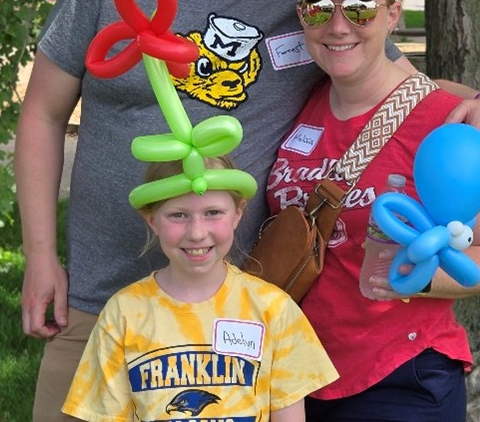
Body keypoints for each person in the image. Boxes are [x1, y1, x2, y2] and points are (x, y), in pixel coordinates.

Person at [15, 0, 480, 421]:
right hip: (98, 297)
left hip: (232, 315)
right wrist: (40, 255)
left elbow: (396, 77)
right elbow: (41, 114)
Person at [264, 0, 480, 420]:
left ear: (392, 13)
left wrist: (413, 280)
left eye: (360, 7)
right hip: (295, 378)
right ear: (302, 17)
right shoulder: (302, 101)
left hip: (399, 376)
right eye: (319, 8)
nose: (338, 25)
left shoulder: (449, 122)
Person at [61, 156, 337, 421]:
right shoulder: (124, 313)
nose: (196, 232)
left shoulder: (273, 309)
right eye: (178, 215)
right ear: (152, 220)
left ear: (238, 214)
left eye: (213, 213)